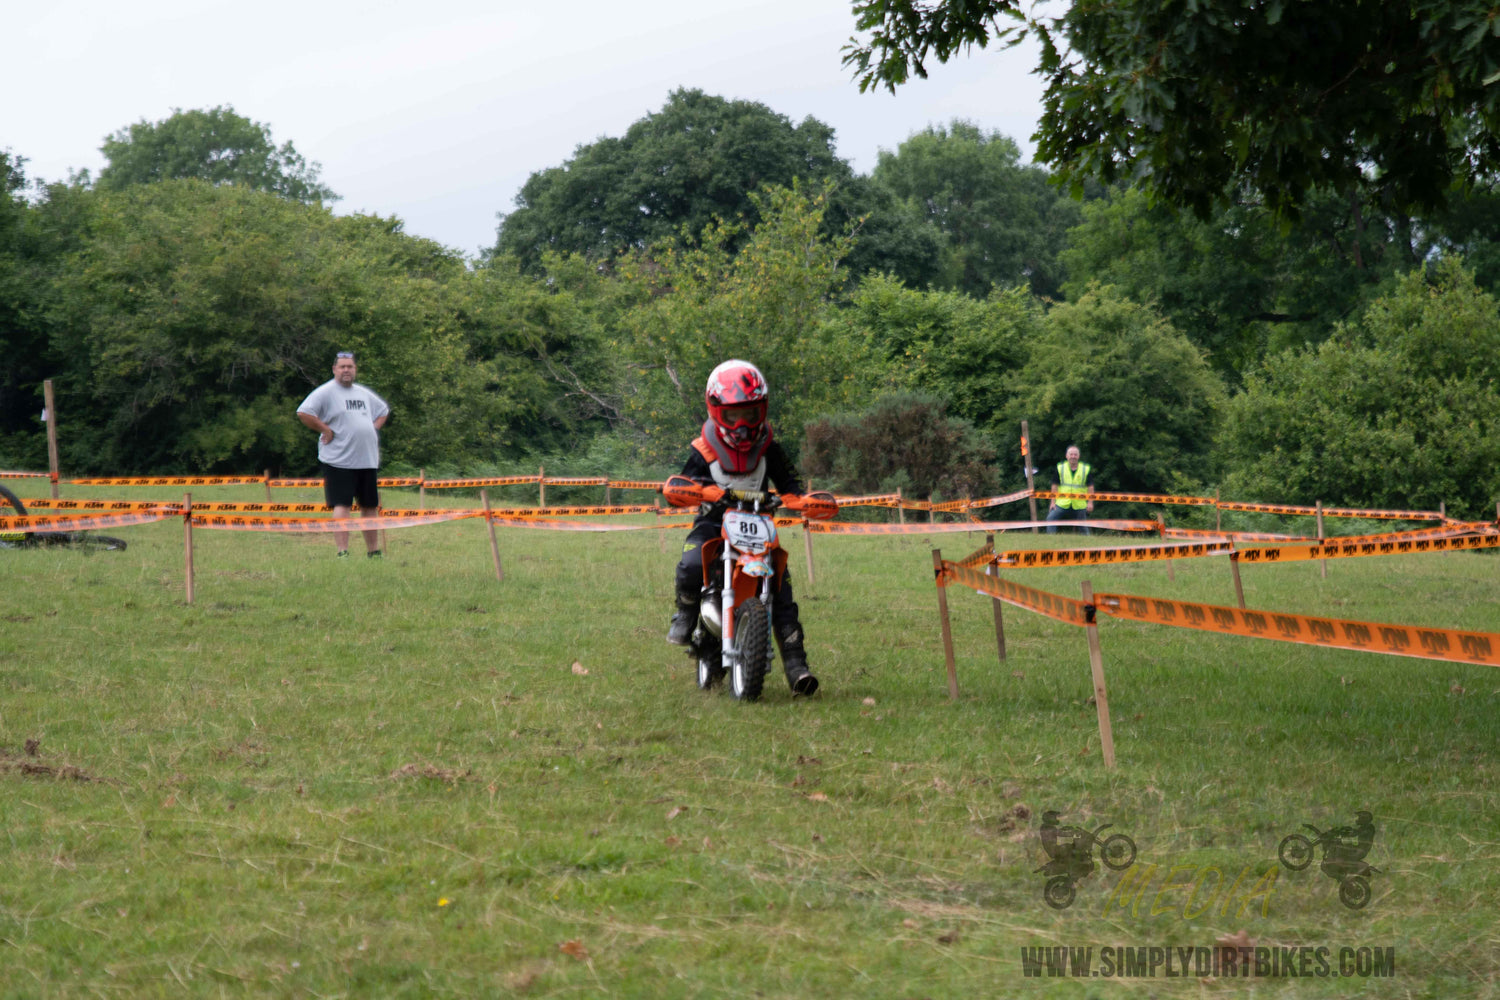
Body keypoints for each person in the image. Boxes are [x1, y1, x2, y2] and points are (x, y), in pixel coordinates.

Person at [665, 360, 819, 695]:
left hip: (760, 523)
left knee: (782, 588)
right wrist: (693, 491)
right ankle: (686, 614)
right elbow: (682, 485)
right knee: (692, 563)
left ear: (761, 411)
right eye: (733, 416)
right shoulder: (702, 448)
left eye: (750, 415)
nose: (742, 424)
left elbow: (791, 484)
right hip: (713, 522)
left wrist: (802, 501)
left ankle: (797, 667)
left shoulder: (769, 448)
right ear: (716, 411)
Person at [296, 351, 389, 558]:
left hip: (366, 460)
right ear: (334, 369)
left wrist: (371, 430)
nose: (346, 370)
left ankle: (373, 552)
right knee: (342, 505)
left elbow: (383, 411)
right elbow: (304, 412)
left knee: (369, 506)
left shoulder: (363, 393)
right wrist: (325, 430)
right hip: (339, 460)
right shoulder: (326, 392)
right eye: (342, 367)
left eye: (350, 367)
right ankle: (343, 552)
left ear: (355, 369)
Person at [1046, 445, 1094, 534]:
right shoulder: (1060, 467)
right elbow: (1054, 486)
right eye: (1071, 454)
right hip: (1062, 502)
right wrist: (1052, 502)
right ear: (1066, 456)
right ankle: (1050, 540)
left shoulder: (1085, 469)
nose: (1073, 457)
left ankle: (1088, 544)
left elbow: (1090, 487)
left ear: (1078, 456)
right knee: (1051, 518)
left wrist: (1090, 503)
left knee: (1083, 526)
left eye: (1075, 454)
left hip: (1079, 503)